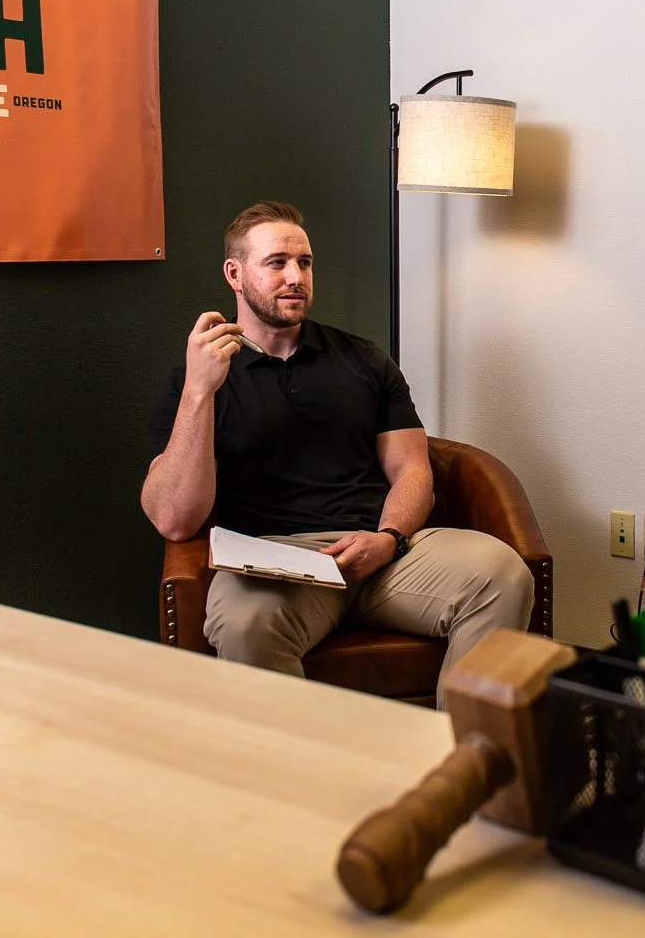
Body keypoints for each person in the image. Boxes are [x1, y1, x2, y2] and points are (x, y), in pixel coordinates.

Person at [141, 201, 534, 706]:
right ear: (234, 275)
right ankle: (308, 779)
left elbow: (413, 470)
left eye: (304, 263)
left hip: (382, 554)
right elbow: (174, 519)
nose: (295, 277)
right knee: (244, 624)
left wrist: (389, 537)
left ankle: (460, 761)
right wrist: (200, 392)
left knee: (502, 574)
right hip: (275, 565)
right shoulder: (195, 378)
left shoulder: (364, 359)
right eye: (277, 262)